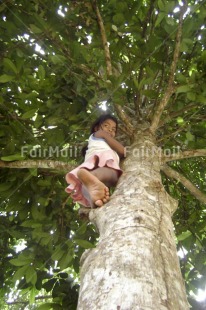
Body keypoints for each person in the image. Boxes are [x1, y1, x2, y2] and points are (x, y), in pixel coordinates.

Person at [65, 114, 125, 208]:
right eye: (106, 125)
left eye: (114, 129)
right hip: (103, 163)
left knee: (87, 187)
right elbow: (123, 151)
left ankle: (95, 200)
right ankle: (93, 179)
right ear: (97, 128)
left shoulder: (98, 143)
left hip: (91, 167)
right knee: (113, 174)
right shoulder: (100, 134)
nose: (110, 129)